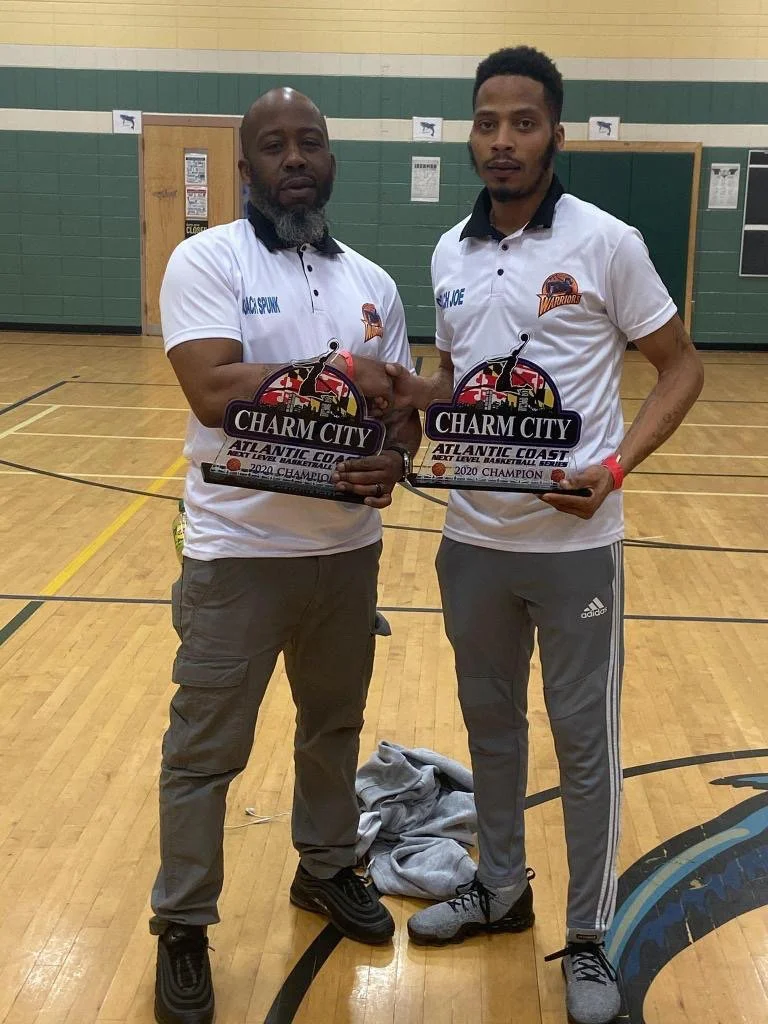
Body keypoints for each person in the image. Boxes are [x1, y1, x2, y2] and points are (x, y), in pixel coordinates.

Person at [386, 46, 704, 1024]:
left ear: (555, 133)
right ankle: (502, 886)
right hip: (473, 540)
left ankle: (589, 937)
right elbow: (458, 376)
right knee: (490, 731)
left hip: (577, 549)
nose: (502, 141)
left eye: (523, 123)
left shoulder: (609, 241)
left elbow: (681, 368)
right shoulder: (448, 250)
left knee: (583, 745)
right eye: (487, 123)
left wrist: (614, 470)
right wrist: (413, 400)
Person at [151, 87, 420, 1024]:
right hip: (238, 554)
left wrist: (397, 454)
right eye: (275, 145)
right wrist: (340, 373)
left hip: (347, 553)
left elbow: (402, 412)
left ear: (331, 158)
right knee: (205, 754)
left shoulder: (373, 283)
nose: (295, 157)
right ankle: (183, 923)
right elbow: (213, 390)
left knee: (333, 729)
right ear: (246, 167)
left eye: (311, 142)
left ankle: (324, 867)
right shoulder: (206, 259)